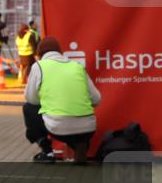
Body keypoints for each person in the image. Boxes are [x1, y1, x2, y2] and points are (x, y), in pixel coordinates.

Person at [22, 36, 102, 164]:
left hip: (58, 127)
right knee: (76, 125)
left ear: (40, 54)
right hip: (88, 128)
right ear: (60, 52)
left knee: (28, 108)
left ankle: (47, 152)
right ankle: (79, 145)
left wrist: (48, 99)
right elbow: (96, 99)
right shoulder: (77, 66)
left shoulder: (39, 66)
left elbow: (31, 99)